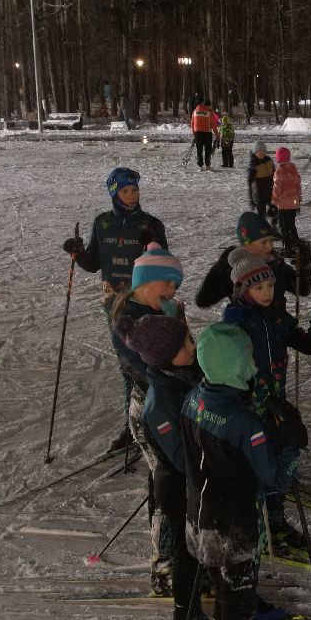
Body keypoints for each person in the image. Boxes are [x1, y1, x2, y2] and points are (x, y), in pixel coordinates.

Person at [183, 323, 307, 620]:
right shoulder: (244, 424)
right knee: (235, 610)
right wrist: (291, 442)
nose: (254, 366)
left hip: (198, 520)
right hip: (232, 530)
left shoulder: (193, 399)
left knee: (226, 598)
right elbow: (275, 478)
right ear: (237, 369)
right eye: (249, 360)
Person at [222, 250, 311, 553]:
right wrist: (228, 329)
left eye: (269, 285)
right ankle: (253, 523)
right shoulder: (239, 320)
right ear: (243, 290)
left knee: (278, 457)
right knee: (253, 465)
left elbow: (309, 346)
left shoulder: (279, 317)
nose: (267, 292)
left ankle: (276, 520)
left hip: (275, 403)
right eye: (259, 288)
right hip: (246, 405)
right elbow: (219, 361)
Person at [61, 166, 169, 448]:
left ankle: (156, 420)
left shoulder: (151, 224)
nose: (132, 196)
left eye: (135, 190)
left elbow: (165, 265)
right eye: (125, 190)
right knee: (128, 367)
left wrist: (153, 246)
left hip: (144, 301)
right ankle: (133, 423)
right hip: (114, 304)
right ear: (114, 193)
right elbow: (94, 263)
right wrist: (77, 252)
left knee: (148, 363)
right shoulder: (102, 223)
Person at [118, 314, 210, 620]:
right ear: (165, 355)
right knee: (187, 555)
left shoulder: (185, 375)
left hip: (196, 481)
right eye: (186, 343)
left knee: (200, 551)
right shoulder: (159, 405)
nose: (193, 345)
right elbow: (183, 459)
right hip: (179, 487)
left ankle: (200, 606)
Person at [108, 243, 190, 596]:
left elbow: (185, 350)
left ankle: (185, 554)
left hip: (174, 401)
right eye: (168, 284)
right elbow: (145, 366)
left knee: (180, 481)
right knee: (166, 485)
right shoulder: (126, 321)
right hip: (150, 410)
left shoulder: (169, 308)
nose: (173, 292)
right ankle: (165, 564)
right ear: (148, 281)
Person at [194, 212, 310, 309]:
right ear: (246, 244)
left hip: (279, 331)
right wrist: (221, 266)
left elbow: (303, 289)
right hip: (247, 334)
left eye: (271, 241)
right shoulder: (235, 270)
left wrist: (306, 264)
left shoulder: (276, 264)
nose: (270, 247)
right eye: (263, 242)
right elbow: (203, 301)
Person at [270, 147, 303, 255]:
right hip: (293, 203)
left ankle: (288, 248)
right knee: (291, 225)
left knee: (284, 227)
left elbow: (277, 189)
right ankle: (297, 244)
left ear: (278, 158)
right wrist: (299, 200)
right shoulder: (294, 169)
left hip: (283, 205)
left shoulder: (279, 171)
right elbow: (298, 186)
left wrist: (274, 202)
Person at [247, 142, 275, 215]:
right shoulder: (253, 165)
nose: (261, 153)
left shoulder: (269, 160)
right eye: (259, 151)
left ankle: (273, 224)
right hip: (258, 194)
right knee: (262, 214)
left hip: (270, 191)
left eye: (263, 151)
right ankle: (263, 224)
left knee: (275, 210)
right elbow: (249, 183)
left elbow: (275, 175)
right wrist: (251, 200)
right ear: (254, 152)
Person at [190, 103, 218, 170]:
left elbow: (192, 123)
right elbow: (213, 124)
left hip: (198, 133)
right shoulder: (209, 112)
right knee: (208, 150)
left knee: (199, 150)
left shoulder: (195, 111)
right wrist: (217, 135)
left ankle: (200, 166)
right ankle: (207, 165)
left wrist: (194, 133)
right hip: (207, 133)